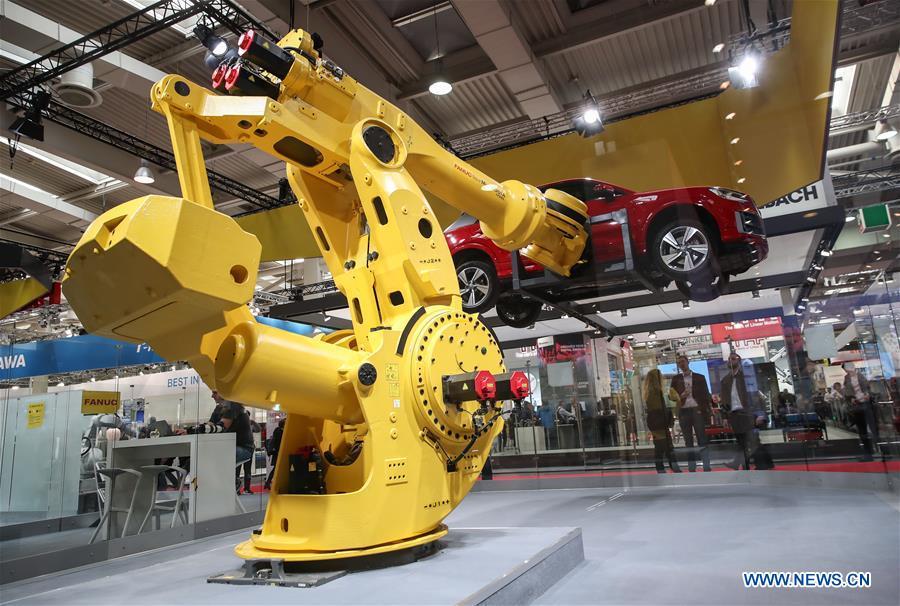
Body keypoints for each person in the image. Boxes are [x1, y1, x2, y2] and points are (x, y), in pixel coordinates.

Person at [719, 353, 772, 470]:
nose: (730, 361)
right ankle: (745, 464)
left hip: (748, 413)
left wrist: (760, 414)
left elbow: (756, 395)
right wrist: (724, 417)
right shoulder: (725, 380)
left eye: (733, 359)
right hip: (734, 414)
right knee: (741, 441)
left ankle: (760, 464)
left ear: (739, 361)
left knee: (753, 440)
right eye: (729, 359)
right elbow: (724, 400)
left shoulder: (746, 376)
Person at [669, 355, 711, 472]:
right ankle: (692, 466)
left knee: (702, 439)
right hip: (684, 411)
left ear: (688, 362)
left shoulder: (700, 377)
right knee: (688, 441)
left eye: (683, 362)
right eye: (679, 363)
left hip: (697, 410)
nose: (681, 364)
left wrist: (706, 411)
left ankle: (706, 465)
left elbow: (706, 395)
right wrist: (680, 396)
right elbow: (671, 396)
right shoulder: (676, 379)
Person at [643, 369, 681, 474]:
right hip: (659, 424)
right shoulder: (656, 392)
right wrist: (675, 401)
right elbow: (660, 408)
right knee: (666, 448)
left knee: (662, 447)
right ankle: (671, 468)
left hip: (656, 423)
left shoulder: (651, 392)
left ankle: (664, 469)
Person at [843, 362, 876, 462]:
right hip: (857, 406)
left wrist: (867, 395)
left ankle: (882, 451)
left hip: (867, 404)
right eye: (845, 369)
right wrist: (851, 398)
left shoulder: (861, 375)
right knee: (862, 431)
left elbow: (868, 388)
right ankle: (868, 453)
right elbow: (847, 392)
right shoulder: (847, 378)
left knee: (873, 429)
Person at [221, 402, 256, 494]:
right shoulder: (226, 410)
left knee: (245, 469)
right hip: (239, 447)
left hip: (243, 448)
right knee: (239, 468)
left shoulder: (235, 410)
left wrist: (252, 423)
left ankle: (242, 486)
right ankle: (237, 484)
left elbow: (222, 426)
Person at [264, 418, 284, 490]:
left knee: (275, 469)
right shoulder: (279, 432)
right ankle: (268, 483)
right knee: (276, 469)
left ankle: (268, 483)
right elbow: (279, 443)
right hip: (278, 453)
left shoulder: (277, 430)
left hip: (277, 453)